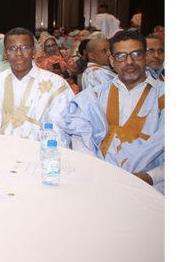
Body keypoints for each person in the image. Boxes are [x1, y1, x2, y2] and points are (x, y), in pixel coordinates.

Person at [59, 30, 164, 193]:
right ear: (112, 61)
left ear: (145, 56)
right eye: (121, 56)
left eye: (136, 54)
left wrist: (149, 177)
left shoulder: (163, 95)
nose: (129, 61)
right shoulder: (93, 96)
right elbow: (80, 139)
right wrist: (97, 171)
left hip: (151, 188)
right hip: (99, 183)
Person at [0, 27, 74, 145]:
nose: (19, 54)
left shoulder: (55, 84)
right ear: (5, 54)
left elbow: (59, 132)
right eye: (12, 49)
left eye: (25, 48)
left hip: (38, 151)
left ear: (34, 52)